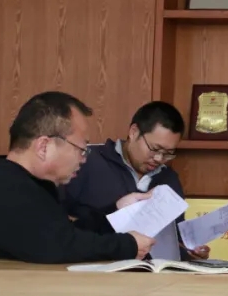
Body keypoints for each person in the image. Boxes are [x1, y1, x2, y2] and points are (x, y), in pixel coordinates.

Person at [0, 91, 156, 264]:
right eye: (81, 149)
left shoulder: (24, 184)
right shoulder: (7, 191)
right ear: (43, 147)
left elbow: (68, 234)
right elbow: (61, 246)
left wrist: (117, 210)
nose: (83, 159)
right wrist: (128, 245)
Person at [60, 101, 208, 261]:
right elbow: (59, 227)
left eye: (168, 153)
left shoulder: (169, 179)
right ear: (134, 132)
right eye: (155, 149)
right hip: (93, 268)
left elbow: (174, 240)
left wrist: (191, 251)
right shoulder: (86, 162)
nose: (159, 158)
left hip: (153, 272)